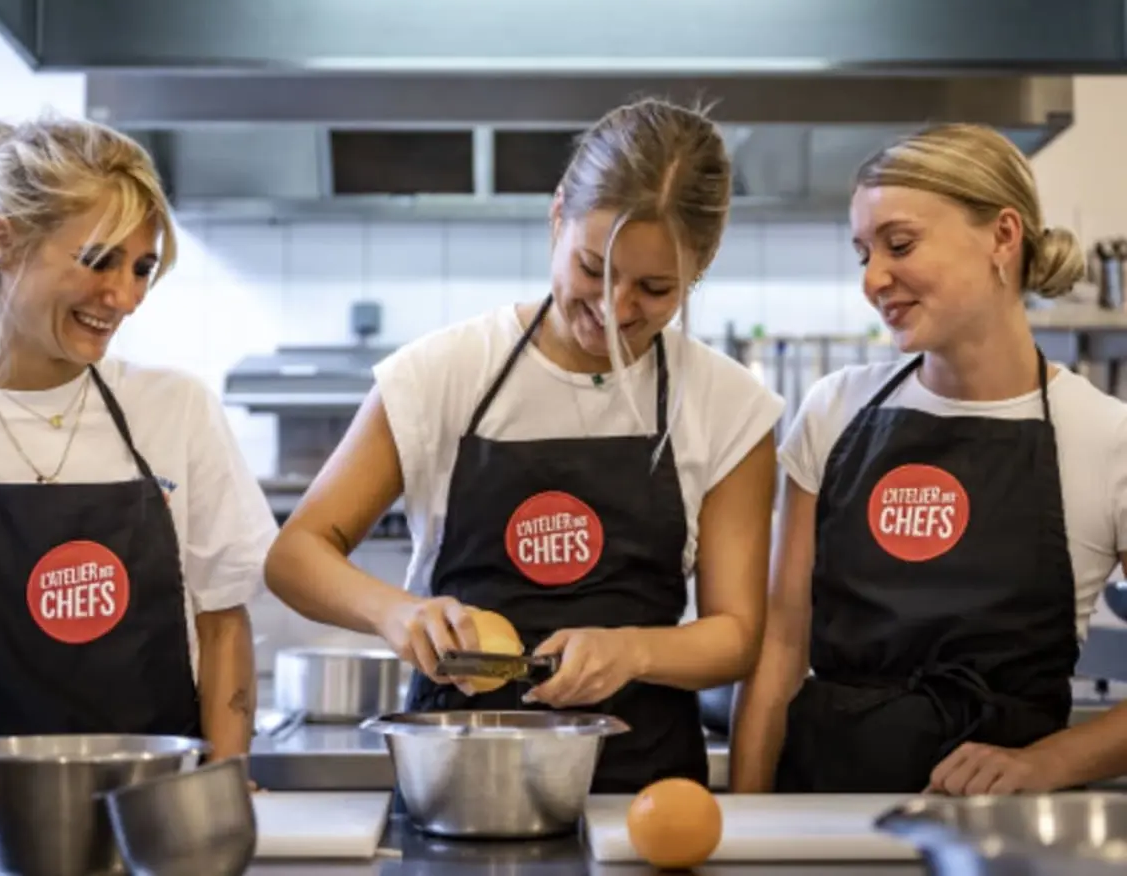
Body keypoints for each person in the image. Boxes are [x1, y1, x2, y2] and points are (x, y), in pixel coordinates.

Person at [264, 97, 782, 794]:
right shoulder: (444, 373)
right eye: (592, 268)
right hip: (459, 785)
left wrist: (631, 651)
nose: (615, 307)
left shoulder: (728, 407)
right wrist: (399, 613)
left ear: (704, 263)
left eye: (656, 289)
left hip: (640, 796)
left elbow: (737, 635)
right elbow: (295, 556)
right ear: (557, 215)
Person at [729, 122, 1127, 796]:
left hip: (1003, 842)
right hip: (826, 817)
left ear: (1003, 236)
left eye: (900, 244)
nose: (873, 278)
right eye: (863, 253)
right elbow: (781, 649)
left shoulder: (1106, 439)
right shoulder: (835, 410)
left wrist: (1049, 762)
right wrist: (744, 821)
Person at [0, 112, 276, 788]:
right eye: (99, 260)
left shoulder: (174, 410)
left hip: (147, 816)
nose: (125, 297)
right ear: (6, 241)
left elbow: (222, 619)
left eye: (142, 268)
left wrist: (221, 785)